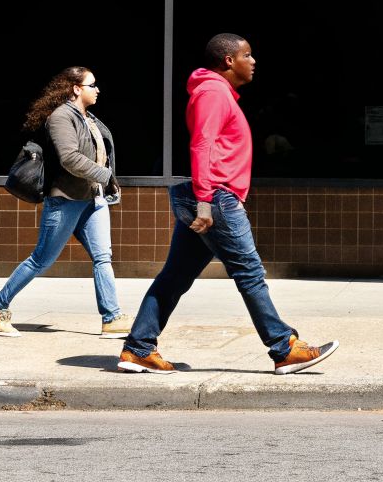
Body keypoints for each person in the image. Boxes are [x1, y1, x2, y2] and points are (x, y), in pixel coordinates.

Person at [118, 34, 338, 376]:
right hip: (216, 198)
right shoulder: (212, 92)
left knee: (175, 277)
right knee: (249, 273)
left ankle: (138, 348)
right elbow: (201, 146)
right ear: (229, 61)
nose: (254, 61)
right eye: (247, 55)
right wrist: (205, 202)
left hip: (211, 196)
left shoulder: (216, 93)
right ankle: (284, 348)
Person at [0, 67, 129, 338]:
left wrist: (106, 181)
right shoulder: (61, 117)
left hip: (93, 198)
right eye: (92, 85)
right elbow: (69, 158)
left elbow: (99, 155)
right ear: (76, 88)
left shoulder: (90, 119)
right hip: (66, 199)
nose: (97, 90)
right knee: (41, 259)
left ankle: (112, 318)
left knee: (102, 257)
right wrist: (104, 175)